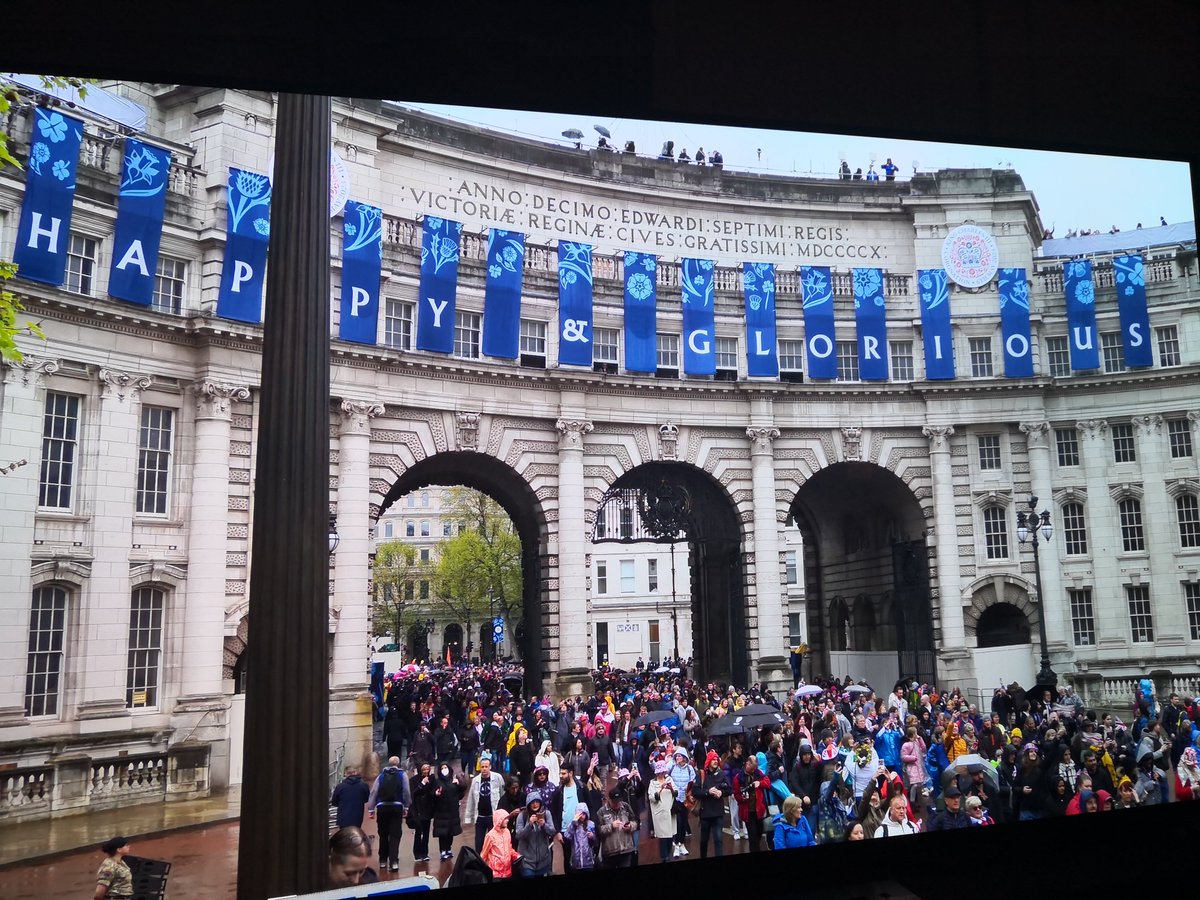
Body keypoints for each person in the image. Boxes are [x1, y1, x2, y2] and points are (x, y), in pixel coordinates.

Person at [367, 756, 411, 872]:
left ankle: (382, 860)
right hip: (396, 807)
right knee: (395, 835)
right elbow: (406, 792)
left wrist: (371, 809)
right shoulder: (402, 775)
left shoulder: (381, 776)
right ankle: (394, 861)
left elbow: (374, 792)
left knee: (383, 834)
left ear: (388, 763)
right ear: (398, 764)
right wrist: (406, 806)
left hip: (382, 807)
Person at [692, 749, 731, 858]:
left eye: (716, 759)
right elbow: (695, 792)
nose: (715, 761)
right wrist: (707, 792)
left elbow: (729, 789)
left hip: (718, 812)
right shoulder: (701, 774)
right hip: (705, 813)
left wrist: (721, 792)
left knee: (718, 839)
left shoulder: (721, 774)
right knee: (704, 840)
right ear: (708, 761)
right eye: (713, 759)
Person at [465, 752, 507, 853]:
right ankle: (480, 860)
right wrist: (469, 817)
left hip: (493, 817)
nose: (484, 769)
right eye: (482, 767)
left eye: (486, 767)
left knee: (494, 843)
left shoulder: (497, 778)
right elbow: (471, 799)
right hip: (480, 817)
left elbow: (503, 795)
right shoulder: (475, 780)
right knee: (479, 843)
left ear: (490, 767)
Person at [596, 787, 639, 868]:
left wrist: (630, 826)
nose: (617, 804)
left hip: (626, 849)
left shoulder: (626, 807)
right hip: (610, 852)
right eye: (614, 802)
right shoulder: (601, 812)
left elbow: (635, 822)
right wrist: (611, 826)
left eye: (619, 801)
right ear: (609, 800)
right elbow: (599, 831)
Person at [431, 764, 467, 860]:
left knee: (451, 831)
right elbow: (432, 793)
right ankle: (443, 850)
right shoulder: (437, 782)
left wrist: (459, 783)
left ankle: (448, 848)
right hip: (441, 811)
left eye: (445, 768)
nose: (444, 770)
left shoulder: (454, 780)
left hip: (452, 810)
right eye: (442, 768)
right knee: (442, 833)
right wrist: (436, 794)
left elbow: (462, 790)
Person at [514, 795, 556, 877]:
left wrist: (544, 825)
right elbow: (518, 835)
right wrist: (529, 825)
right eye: (532, 802)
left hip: (543, 861)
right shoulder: (522, 815)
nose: (535, 804)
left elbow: (552, 832)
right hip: (527, 862)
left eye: (537, 802)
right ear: (528, 804)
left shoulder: (546, 813)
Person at [648, 759, 678, 862]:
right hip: (660, 814)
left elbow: (676, 793)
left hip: (670, 812)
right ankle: (664, 858)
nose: (662, 774)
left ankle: (668, 854)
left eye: (663, 772)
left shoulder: (669, 779)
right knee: (663, 837)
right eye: (660, 772)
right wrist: (660, 789)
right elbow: (652, 797)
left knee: (670, 836)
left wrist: (671, 788)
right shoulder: (653, 783)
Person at [479, 808, 520, 879]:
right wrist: (483, 870)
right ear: (499, 820)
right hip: (495, 873)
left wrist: (516, 856)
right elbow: (484, 854)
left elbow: (509, 848)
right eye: (505, 818)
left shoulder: (507, 832)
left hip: (508, 871)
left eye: (508, 818)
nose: (508, 820)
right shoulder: (490, 835)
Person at [408, 763, 436, 863]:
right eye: (424, 769)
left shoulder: (432, 779)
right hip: (418, 809)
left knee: (426, 832)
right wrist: (422, 784)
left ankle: (425, 853)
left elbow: (432, 791)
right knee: (418, 831)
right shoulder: (413, 780)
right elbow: (413, 794)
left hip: (427, 809)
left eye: (427, 769)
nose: (426, 771)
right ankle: (417, 853)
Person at [562, 802, 599, 872]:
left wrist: (592, 836)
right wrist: (573, 824)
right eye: (580, 814)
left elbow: (596, 843)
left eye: (584, 814)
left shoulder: (591, 824)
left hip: (588, 861)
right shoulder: (573, 825)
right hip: (576, 862)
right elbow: (567, 837)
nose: (582, 816)